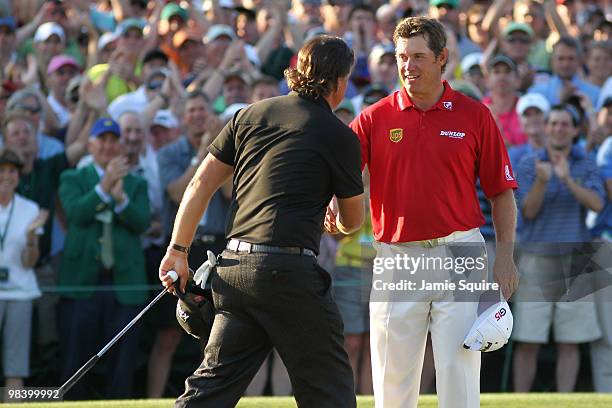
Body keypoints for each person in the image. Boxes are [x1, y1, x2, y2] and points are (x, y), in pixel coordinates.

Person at [159, 35, 364, 407]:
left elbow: (200, 184)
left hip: (234, 269)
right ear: (338, 82)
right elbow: (354, 218)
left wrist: (177, 250)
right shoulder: (339, 135)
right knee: (330, 394)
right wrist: (336, 223)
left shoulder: (248, 115)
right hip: (289, 273)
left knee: (209, 392)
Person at [346, 17, 519, 408]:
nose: (409, 66)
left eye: (419, 57)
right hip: (396, 256)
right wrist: (330, 204)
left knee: (460, 378)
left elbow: (501, 193)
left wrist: (505, 257)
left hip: (461, 252)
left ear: (442, 58)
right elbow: (339, 178)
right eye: (402, 57)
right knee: (392, 382)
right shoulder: (373, 118)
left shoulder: (476, 115)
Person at [512, 104, 605, 393]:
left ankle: (565, 400)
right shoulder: (529, 163)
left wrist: (566, 178)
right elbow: (527, 212)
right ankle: (519, 401)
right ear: (545, 128)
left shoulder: (587, 163)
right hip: (536, 260)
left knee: (571, 341)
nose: (558, 129)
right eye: (553, 123)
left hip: (574, 262)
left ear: (576, 130)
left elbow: (597, 204)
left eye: (565, 124)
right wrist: (542, 181)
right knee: (528, 340)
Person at [58, 118, 150, 399]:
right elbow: (76, 214)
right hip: (83, 283)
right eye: (103, 139)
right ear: (90, 145)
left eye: (113, 140)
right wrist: (105, 186)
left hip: (124, 283)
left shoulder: (135, 182)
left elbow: (141, 222)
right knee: (76, 359)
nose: (108, 146)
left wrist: (121, 200)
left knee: (122, 361)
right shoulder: (73, 177)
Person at [0, 147, 47, 401]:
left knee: (15, 367)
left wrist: (31, 238)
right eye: (2, 170)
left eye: (11, 171)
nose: (6, 176)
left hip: (20, 292)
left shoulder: (30, 209)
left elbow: (30, 262)